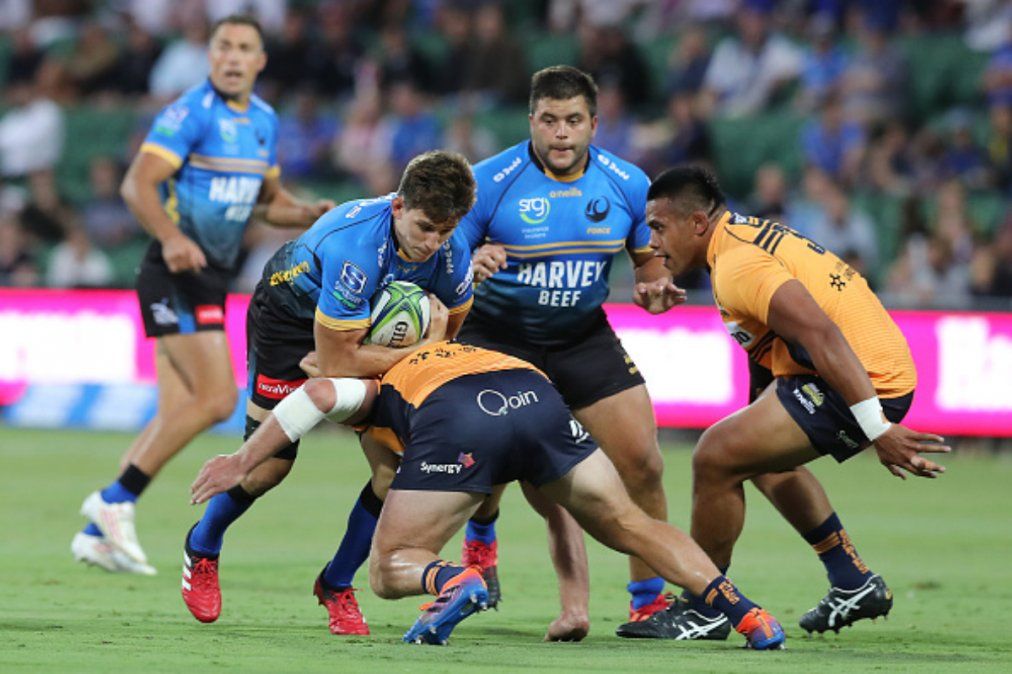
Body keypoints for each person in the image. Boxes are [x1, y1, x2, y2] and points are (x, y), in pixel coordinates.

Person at [187, 341, 787, 650]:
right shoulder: (458, 347)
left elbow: (317, 395)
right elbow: (557, 511)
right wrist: (575, 608)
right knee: (630, 522)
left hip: (459, 418)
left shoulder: (372, 380)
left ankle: (456, 579)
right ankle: (745, 612)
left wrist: (242, 459)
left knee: (390, 569)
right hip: (531, 391)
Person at [622, 165, 948, 640]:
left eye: (658, 227)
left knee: (715, 456)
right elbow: (772, 339)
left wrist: (877, 427)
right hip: (852, 367)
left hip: (862, 375)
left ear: (696, 223)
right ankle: (852, 581)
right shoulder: (736, 240)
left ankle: (705, 607)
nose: (652, 243)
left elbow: (821, 334)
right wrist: (755, 411)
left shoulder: (738, 265)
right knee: (753, 457)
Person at [74, 15, 333, 576]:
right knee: (216, 401)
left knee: (176, 411)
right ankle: (114, 499)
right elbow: (137, 184)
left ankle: (100, 533)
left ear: (260, 61)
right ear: (210, 56)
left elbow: (265, 203)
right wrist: (171, 238)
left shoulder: (263, 121)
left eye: (244, 48)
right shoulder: (190, 112)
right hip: (175, 271)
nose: (233, 57)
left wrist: (307, 213)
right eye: (224, 47)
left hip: (208, 275)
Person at [180, 150, 478, 634]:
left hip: (371, 341)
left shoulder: (452, 250)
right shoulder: (355, 246)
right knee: (269, 467)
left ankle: (336, 583)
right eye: (425, 227)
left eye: (445, 231)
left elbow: (442, 347)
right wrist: (420, 349)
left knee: (391, 473)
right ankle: (203, 545)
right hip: (290, 321)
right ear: (398, 206)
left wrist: (417, 350)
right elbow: (337, 364)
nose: (433, 243)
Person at [455, 65, 685, 633]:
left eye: (574, 121)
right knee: (486, 464)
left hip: (582, 336)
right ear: (531, 120)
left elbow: (649, 264)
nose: (561, 132)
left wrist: (655, 288)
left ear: (594, 124)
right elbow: (441, 262)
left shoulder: (628, 183)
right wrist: (469, 265)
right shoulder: (488, 182)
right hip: (498, 337)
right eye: (550, 120)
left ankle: (648, 602)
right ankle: (481, 536)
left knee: (644, 463)